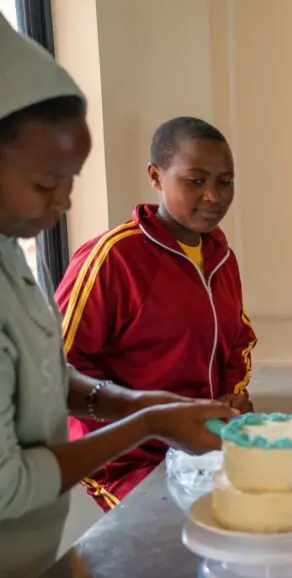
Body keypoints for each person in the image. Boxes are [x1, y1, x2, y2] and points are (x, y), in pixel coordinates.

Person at [0, 16, 233, 578]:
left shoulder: (12, 253)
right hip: (116, 473)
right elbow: (10, 487)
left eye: (71, 179)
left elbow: (50, 376)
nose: (66, 200)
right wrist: (146, 423)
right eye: (49, 180)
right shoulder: (111, 259)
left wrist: (138, 402)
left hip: (32, 556)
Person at [54, 116, 256, 512]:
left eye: (225, 181)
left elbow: (237, 339)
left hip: (202, 445)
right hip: (130, 457)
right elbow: (56, 368)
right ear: (156, 176)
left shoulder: (220, 258)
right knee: (171, 550)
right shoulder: (113, 259)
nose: (214, 196)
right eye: (195, 180)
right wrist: (144, 418)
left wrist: (231, 394)